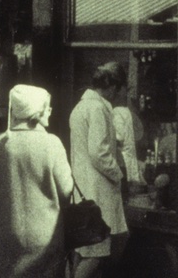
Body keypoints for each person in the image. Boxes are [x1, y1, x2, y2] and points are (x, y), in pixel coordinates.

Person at [0, 84, 73, 278]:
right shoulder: (52, 144)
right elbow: (67, 191)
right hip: (44, 240)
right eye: (48, 107)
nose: (50, 111)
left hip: (6, 237)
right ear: (36, 112)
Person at [69, 62, 129, 278]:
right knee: (98, 251)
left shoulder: (81, 107)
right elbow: (98, 152)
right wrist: (118, 174)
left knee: (83, 250)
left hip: (83, 189)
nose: (122, 94)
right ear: (113, 87)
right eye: (123, 89)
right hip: (98, 191)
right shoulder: (97, 108)